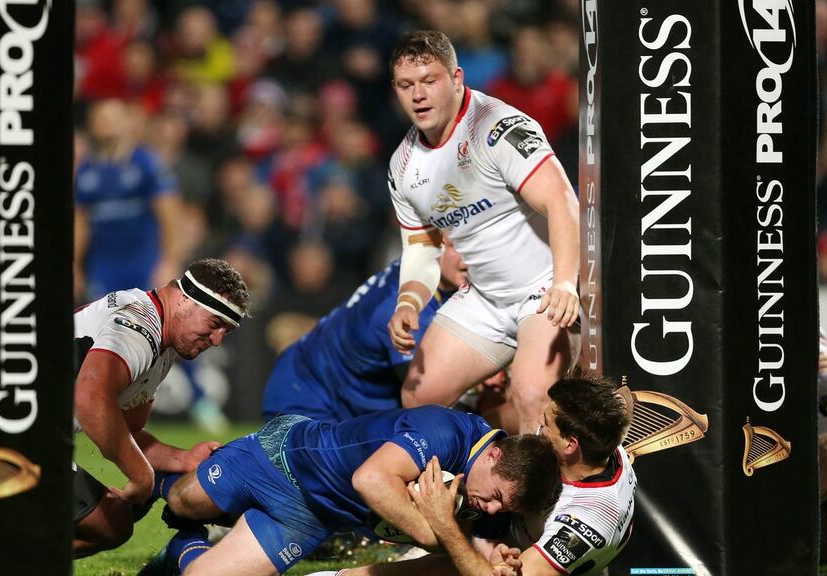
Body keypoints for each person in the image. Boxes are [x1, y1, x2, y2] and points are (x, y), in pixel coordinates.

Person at [384, 30, 580, 433]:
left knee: (530, 395)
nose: (418, 95)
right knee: (419, 397)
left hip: (542, 292)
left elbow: (562, 201)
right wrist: (409, 303)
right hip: (486, 299)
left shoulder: (497, 128)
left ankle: (546, 495)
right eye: (407, 86)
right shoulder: (403, 165)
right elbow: (422, 245)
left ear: (457, 79)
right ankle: (476, 478)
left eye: (429, 81)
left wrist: (565, 282)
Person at [139, 405, 561, 576]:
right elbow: (370, 480)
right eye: (497, 497)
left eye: (503, 507)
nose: (490, 508)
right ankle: (151, 481)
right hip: (284, 456)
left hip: (310, 517)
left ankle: (186, 544)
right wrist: (438, 531)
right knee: (182, 500)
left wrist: (494, 557)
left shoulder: (486, 495)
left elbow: (468, 547)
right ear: (493, 457)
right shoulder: (445, 432)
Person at [310, 369, 636, 576]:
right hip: (506, 540)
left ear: (570, 446)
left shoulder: (588, 520)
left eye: (547, 425)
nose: (539, 427)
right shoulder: (602, 446)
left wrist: (441, 523)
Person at [72, 258, 251, 558]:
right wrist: (142, 475)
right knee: (110, 524)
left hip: (16, 423)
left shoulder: (160, 344)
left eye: (227, 331)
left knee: (116, 522)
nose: (218, 340)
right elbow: (90, 399)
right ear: (184, 299)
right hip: (3, 428)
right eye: (215, 323)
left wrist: (181, 458)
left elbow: (123, 429)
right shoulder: (141, 326)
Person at [261, 237, 468, 422]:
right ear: (430, 246)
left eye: (471, 244)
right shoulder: (399, 308)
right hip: (306, 397)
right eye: (455, 246)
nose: (466, 258)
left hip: (348, 400)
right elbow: (424, 399)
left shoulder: (419, 276)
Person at [74, 98, 184, 304]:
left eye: (112, 118)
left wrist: (170, 261)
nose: (106, 123)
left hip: (144, 262)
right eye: (101, 119)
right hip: (104, 266)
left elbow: (170, 214)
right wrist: (75, 264)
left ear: (125, 122)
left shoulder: (147, 164)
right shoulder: (86, 171)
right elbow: (80, 223)